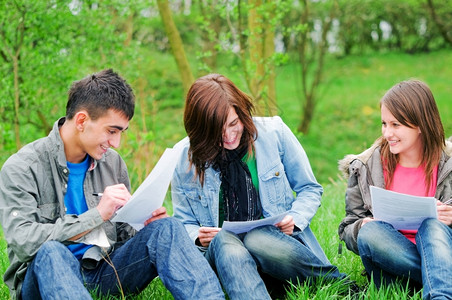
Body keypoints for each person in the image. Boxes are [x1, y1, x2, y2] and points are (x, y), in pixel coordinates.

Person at [0, 69, 225, 300]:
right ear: (81, 120)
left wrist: (143, 225)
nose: (116, 142)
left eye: (121, 133)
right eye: (111, 131)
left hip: (101, 270)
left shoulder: (112, 163)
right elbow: (24, 242)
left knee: (167, 228)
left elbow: (124, 237)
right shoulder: (22, 167)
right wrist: (97, 214)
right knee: (52, 251)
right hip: (44, 277)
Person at [171, 73, 345, 300]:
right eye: (217, 130)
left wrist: (295, 218)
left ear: (243, 114)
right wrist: (197, 236)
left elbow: (309, 189)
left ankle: (337, 284)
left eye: (234, 123)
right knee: (225, 240)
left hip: (275, 248)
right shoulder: (184, 157)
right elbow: (183, 221)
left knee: (257, 237)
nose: (229, 135)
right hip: (226, 257)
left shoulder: (274, 133)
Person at [338, 79, 452, 299]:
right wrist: (361, 225)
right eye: (384, 124)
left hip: (440, 250)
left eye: (396, 125)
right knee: (371, 233)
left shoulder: (448, 163)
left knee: (432, 225)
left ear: (420, 124)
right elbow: (347, 228)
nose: (387, 133)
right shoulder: (366, 166)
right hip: (391, 264)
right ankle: (441, 279)